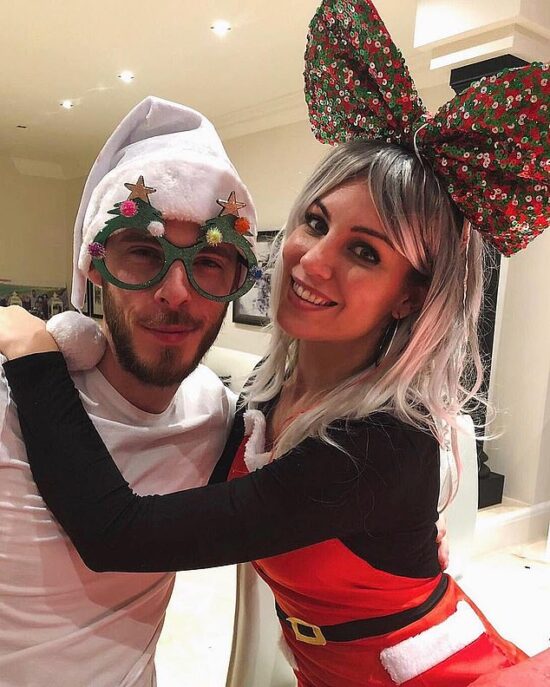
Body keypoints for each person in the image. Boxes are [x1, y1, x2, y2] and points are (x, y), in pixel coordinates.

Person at [1, 0, 548, 684]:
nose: (312, 261)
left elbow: (118, 533)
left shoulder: (377, 447)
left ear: (411, 295)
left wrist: (35, 357)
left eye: (365, 252)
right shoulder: (266, 398)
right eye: (315, 222)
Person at [0, 95, 259, 686]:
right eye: (144, 253)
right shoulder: (9, 400)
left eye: (209, 261)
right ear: (94, 267)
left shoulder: (216, 414)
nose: (176, 292)